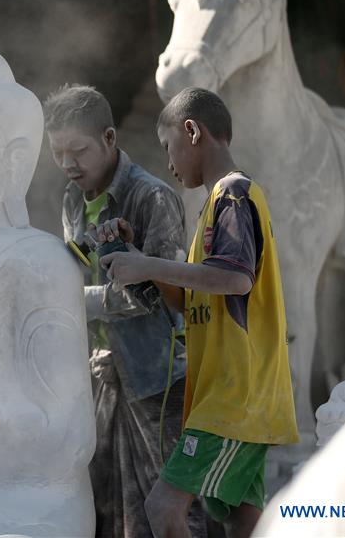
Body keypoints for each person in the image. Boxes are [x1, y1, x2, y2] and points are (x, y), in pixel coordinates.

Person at [97, 87, 299, 538]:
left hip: (235, 398)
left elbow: (235, 278)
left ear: (192, 131)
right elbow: (192, 303)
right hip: (230, 398)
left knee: (163, 509)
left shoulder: (234, 194)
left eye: (168, 147)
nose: (168, 163)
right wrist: (137, 258)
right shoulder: (213, 207)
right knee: (244, 524)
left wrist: (147, 264)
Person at [43, 84, 208, 538]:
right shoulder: (72, 200)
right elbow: (75, 272)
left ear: (110, 139)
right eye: (58, 153)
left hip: (157, 377)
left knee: (172, 511)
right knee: (110, 509)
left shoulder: (151, 197)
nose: (68, 164)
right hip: (101, 376)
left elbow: (157, 297)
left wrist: (73, 302)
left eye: (78, 150)